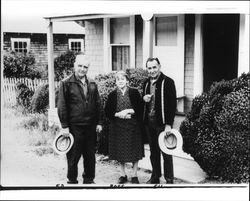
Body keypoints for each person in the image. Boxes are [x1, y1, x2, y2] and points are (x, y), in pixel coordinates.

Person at [57, 54, 103, 184]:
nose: (82, 69)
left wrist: (99, 122)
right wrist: (65, 126)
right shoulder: (66, 83)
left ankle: (89, 180)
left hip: (90, 126)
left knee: (90, 155)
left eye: (85, 67)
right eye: (80, 66)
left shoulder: (92, 83)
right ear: (74, 66)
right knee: (73, 156)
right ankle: (72, 181)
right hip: (74, 127)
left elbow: (98, 103)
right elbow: (62, 105)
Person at [105, 71, 144, 184]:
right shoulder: (112, 94)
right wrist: (119, 114)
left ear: (127, 81)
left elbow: (140, 108)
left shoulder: (134, 92)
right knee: (120, 151)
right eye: (118, 79)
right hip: (118, 126)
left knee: (134, 151)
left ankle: (135, 175)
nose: (120, 81)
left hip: (133, 126)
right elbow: (107, 111)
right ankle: (123, 174)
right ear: (116, 82)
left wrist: (127, 111)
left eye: (123, 79)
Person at [142, 57, 177, 184]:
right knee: (153, 152)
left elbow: (172, 105)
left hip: (162, 123)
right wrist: (143, 99)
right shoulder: (146, 83)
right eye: (149, 68)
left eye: (154, 67)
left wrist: (169, 124)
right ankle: (155, 176)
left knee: (166, 153)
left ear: (159, 67)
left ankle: (169, 180)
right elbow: (143, 103)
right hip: (149, 123)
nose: (151, 70)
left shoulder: (168, 82)